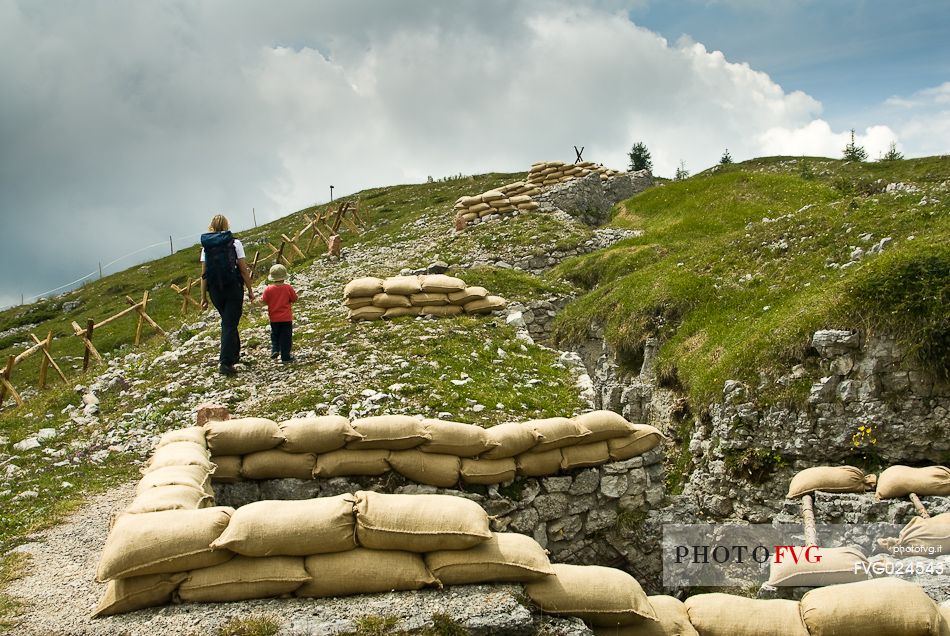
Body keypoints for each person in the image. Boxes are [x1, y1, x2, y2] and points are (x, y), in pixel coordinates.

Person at [199, 214, 255, 376]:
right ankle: (225, 362)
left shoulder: (206, 248)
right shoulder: (235, 243)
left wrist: (203, 298)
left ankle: (235, 354)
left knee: (228, 320)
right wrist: (250, 290)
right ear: (226, 225)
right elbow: (243, 270)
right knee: (229, 324)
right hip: (233, 287)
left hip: (215, 290)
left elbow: (204, 274)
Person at [261, 263, 298, 364]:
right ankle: (285, 356)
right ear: (284, 276)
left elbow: (264, 300)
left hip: (274, 318)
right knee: (286, 337)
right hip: (286, 318)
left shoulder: (268, 289)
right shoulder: (288, 288)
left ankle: (275, 349)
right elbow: (294, 298)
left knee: (275, 335)